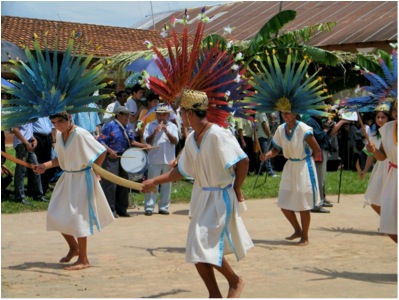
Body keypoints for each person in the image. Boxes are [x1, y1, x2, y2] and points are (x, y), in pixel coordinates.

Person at [142, 89, 253, 298]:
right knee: (196, 249)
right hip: (202, 198)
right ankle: (214, 294)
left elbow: (243, 161)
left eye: (182, 113)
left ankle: (234, 281)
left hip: (220, 196)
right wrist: (154, 181)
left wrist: (237, 187)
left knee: (204, 245)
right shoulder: (192, 138)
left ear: (189, 114)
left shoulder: (218, 134)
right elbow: (182, 171)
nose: (180, 117)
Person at [34, 112, 114, 270]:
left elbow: (101, 151)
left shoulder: (80, 134)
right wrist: (45, 165)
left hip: (82, 179)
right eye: (54, 122)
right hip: (67, 178)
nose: (58, 125)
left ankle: (84, 259)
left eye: (61, 121)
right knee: (55, 214)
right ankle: (74, 248)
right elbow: (62, 159)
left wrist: (96, 172)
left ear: (69, 119)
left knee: (78, 218)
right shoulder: (59, 134)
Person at [260, 112, 322, 246]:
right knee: (284, 203)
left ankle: (305, 237)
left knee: (303, 204)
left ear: (295, 113)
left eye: (288, 113)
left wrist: (312, 165)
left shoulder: (304, 129)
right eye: (283, 113)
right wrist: (267, 156)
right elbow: (276, 149)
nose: (285, 116)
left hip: (304, 166)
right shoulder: (281, 129)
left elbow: (317, 149)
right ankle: (298, 230)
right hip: (290, 167)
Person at [98, 106, 151, 218]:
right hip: (111, 157)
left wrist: (144, 145)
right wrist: (110, 151)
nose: (128, 117)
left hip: (124, 156)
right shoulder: (109, 126)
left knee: (123, 182)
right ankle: (110, 209)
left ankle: (121, 208)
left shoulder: (126, 127)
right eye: (125, 114)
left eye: (128, 115)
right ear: (118, 115)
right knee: (110, 184)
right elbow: (101, 141)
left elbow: (131, 141)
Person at [366, 100, 397, 243]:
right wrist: (373, 150)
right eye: (395, 110)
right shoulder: (388, 128)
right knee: (389, 224)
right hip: (393, 177)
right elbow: (382, 156)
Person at [306, 115, 348, 213]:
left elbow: (328, 133)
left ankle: (321, 198)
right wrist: (326, 128)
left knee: (322, 177)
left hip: (323, 150)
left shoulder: (317, 120)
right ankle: (317, 202)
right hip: (318, 151)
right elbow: (319, 137)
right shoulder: (311, 121)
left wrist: (330, 126)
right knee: (319, 178)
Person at [143, 104, 179, 216]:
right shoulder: (150, 125)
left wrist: (166, 132)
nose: (161, 117)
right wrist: (155, 132)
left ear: (168, 115)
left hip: (168, 159)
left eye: (164, 114)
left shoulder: (173, 126)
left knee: (166, 184)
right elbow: (147, 142)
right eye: (159, 114)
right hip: (154, 159)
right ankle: (149, 206)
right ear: (156, 115)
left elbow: (175, 142)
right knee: (152, 183)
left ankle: (163, 207)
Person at [359, 106, 392, 215]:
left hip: (392, 167)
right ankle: (386, 222)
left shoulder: (393, 132)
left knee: (391, 198)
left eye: (383, 117)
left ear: (388, 118)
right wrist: (364, 170)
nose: (380, 120)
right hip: (380, 168)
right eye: (378, 117)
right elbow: (370, 155)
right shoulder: (373, 135)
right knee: (373, 197)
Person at [12, 123, 48, 205]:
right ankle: (19, 197)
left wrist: (33, 139)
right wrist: (26, 142)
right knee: (21, 171)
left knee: (36, 168)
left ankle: (38, 195)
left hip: (28, 142)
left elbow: (27, 130)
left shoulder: (28, 114)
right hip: (22, 144)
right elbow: (15, 129)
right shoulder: (20, 114)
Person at [255, 111, 278, 177]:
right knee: (266, 154)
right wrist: (270, 136)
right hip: (263, 136)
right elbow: (264, 125)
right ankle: (270, 172)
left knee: (262, 154)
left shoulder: (261, 113)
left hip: (262, 136)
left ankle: (258, 171)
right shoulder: (261, 113)